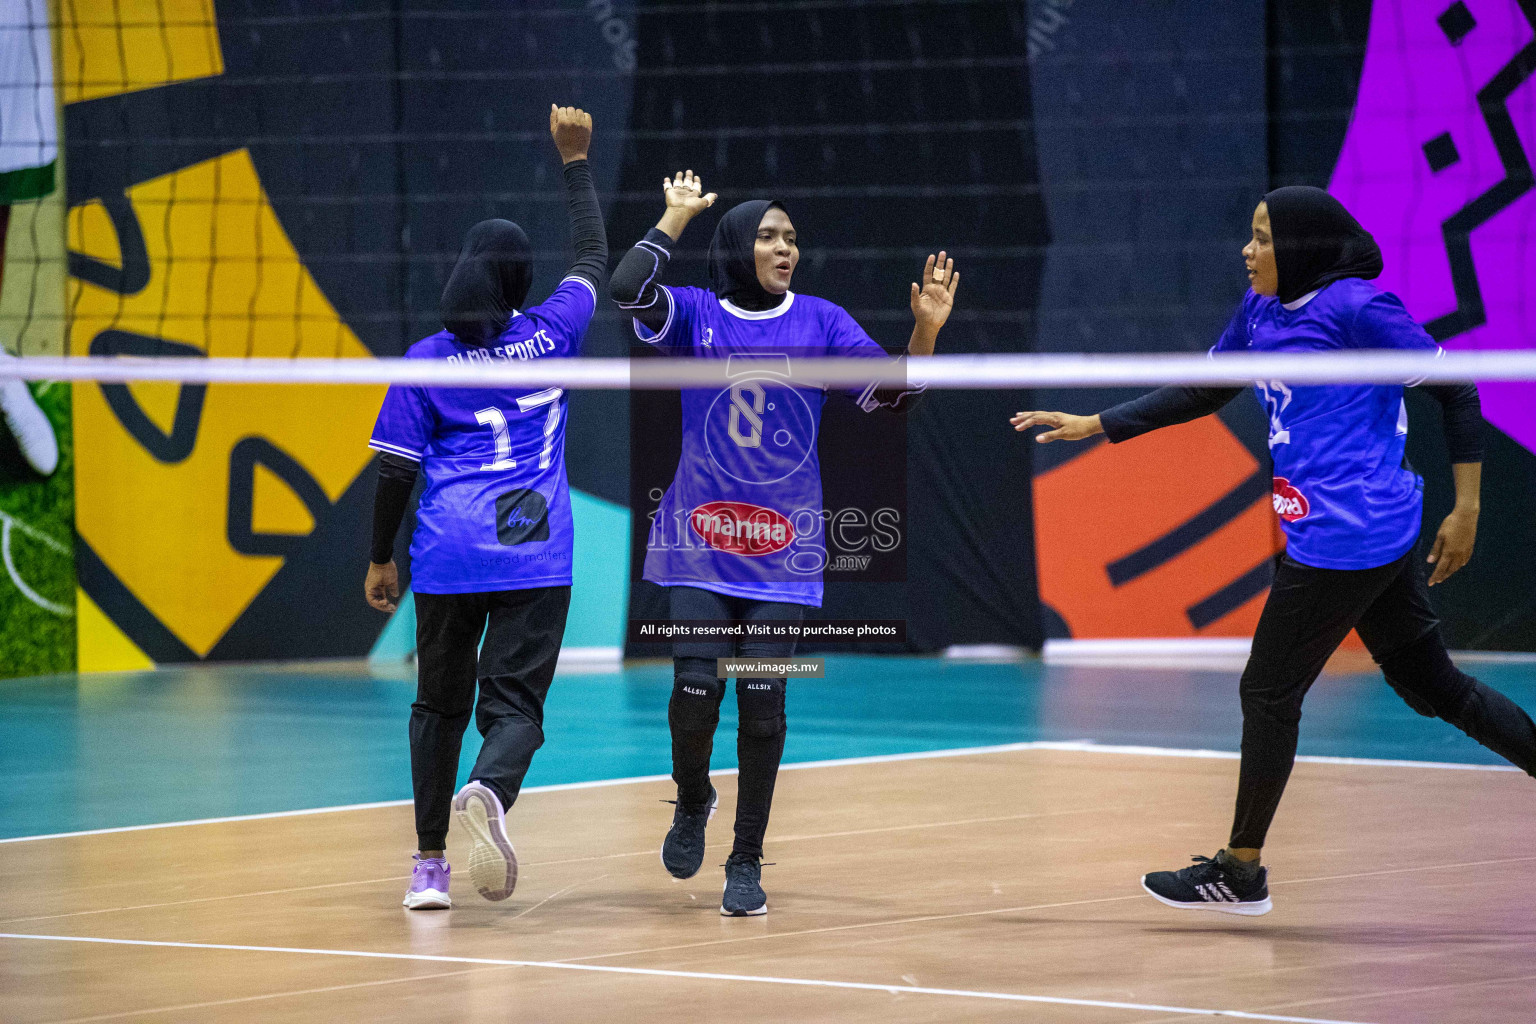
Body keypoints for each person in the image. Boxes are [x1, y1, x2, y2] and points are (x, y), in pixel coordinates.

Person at [1011, 186, 1536, 916]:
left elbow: (1457, 388)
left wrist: (1470, 507)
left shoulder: (1357, 309)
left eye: (1262, 238)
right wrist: (1097, 422)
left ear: (1299, 249)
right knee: (1433, 687)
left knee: (1267, 692)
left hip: (1348, 535)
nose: (1248, 251)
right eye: (1251, 236)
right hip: (1347, 529)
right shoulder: (1260, 312)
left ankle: (1241, 869)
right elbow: (1206, 390)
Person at [609, 170, 954, 916]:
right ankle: (693, 798)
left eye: (792, 238)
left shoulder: (822, 321)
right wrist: (672, 218)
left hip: (783, 556)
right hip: (697, 544)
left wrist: (924, 333)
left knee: (762, 703)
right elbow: (627, 288)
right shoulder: (697, 314)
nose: (784, 247)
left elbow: (888, 396)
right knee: (695, 690)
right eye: (768, 235)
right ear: (738, 245)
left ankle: (745, 858)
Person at [365, 105, 605, 910]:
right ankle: (490, 790)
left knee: (437, 704)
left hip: (447, 552)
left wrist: (379, 557)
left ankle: (428, 868)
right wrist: (574, 160)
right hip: (534, 549)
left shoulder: (426, 360)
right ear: (515, 280)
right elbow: (596, 257)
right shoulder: (553, 333)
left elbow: (396, 474)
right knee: (518, 709)